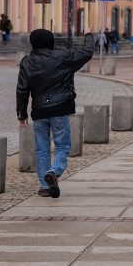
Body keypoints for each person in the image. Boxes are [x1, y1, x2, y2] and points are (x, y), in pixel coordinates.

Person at [16, 30, 95, 198]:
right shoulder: (62, 57)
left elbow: (22, 89)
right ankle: (54, 171)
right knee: (63, 146)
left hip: (38, 111)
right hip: (60, 108)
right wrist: (88, 35)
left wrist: (21, 113)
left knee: (42, 149)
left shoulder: (27, 62)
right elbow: (87, 52)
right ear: (50, 41)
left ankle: (45, 186)